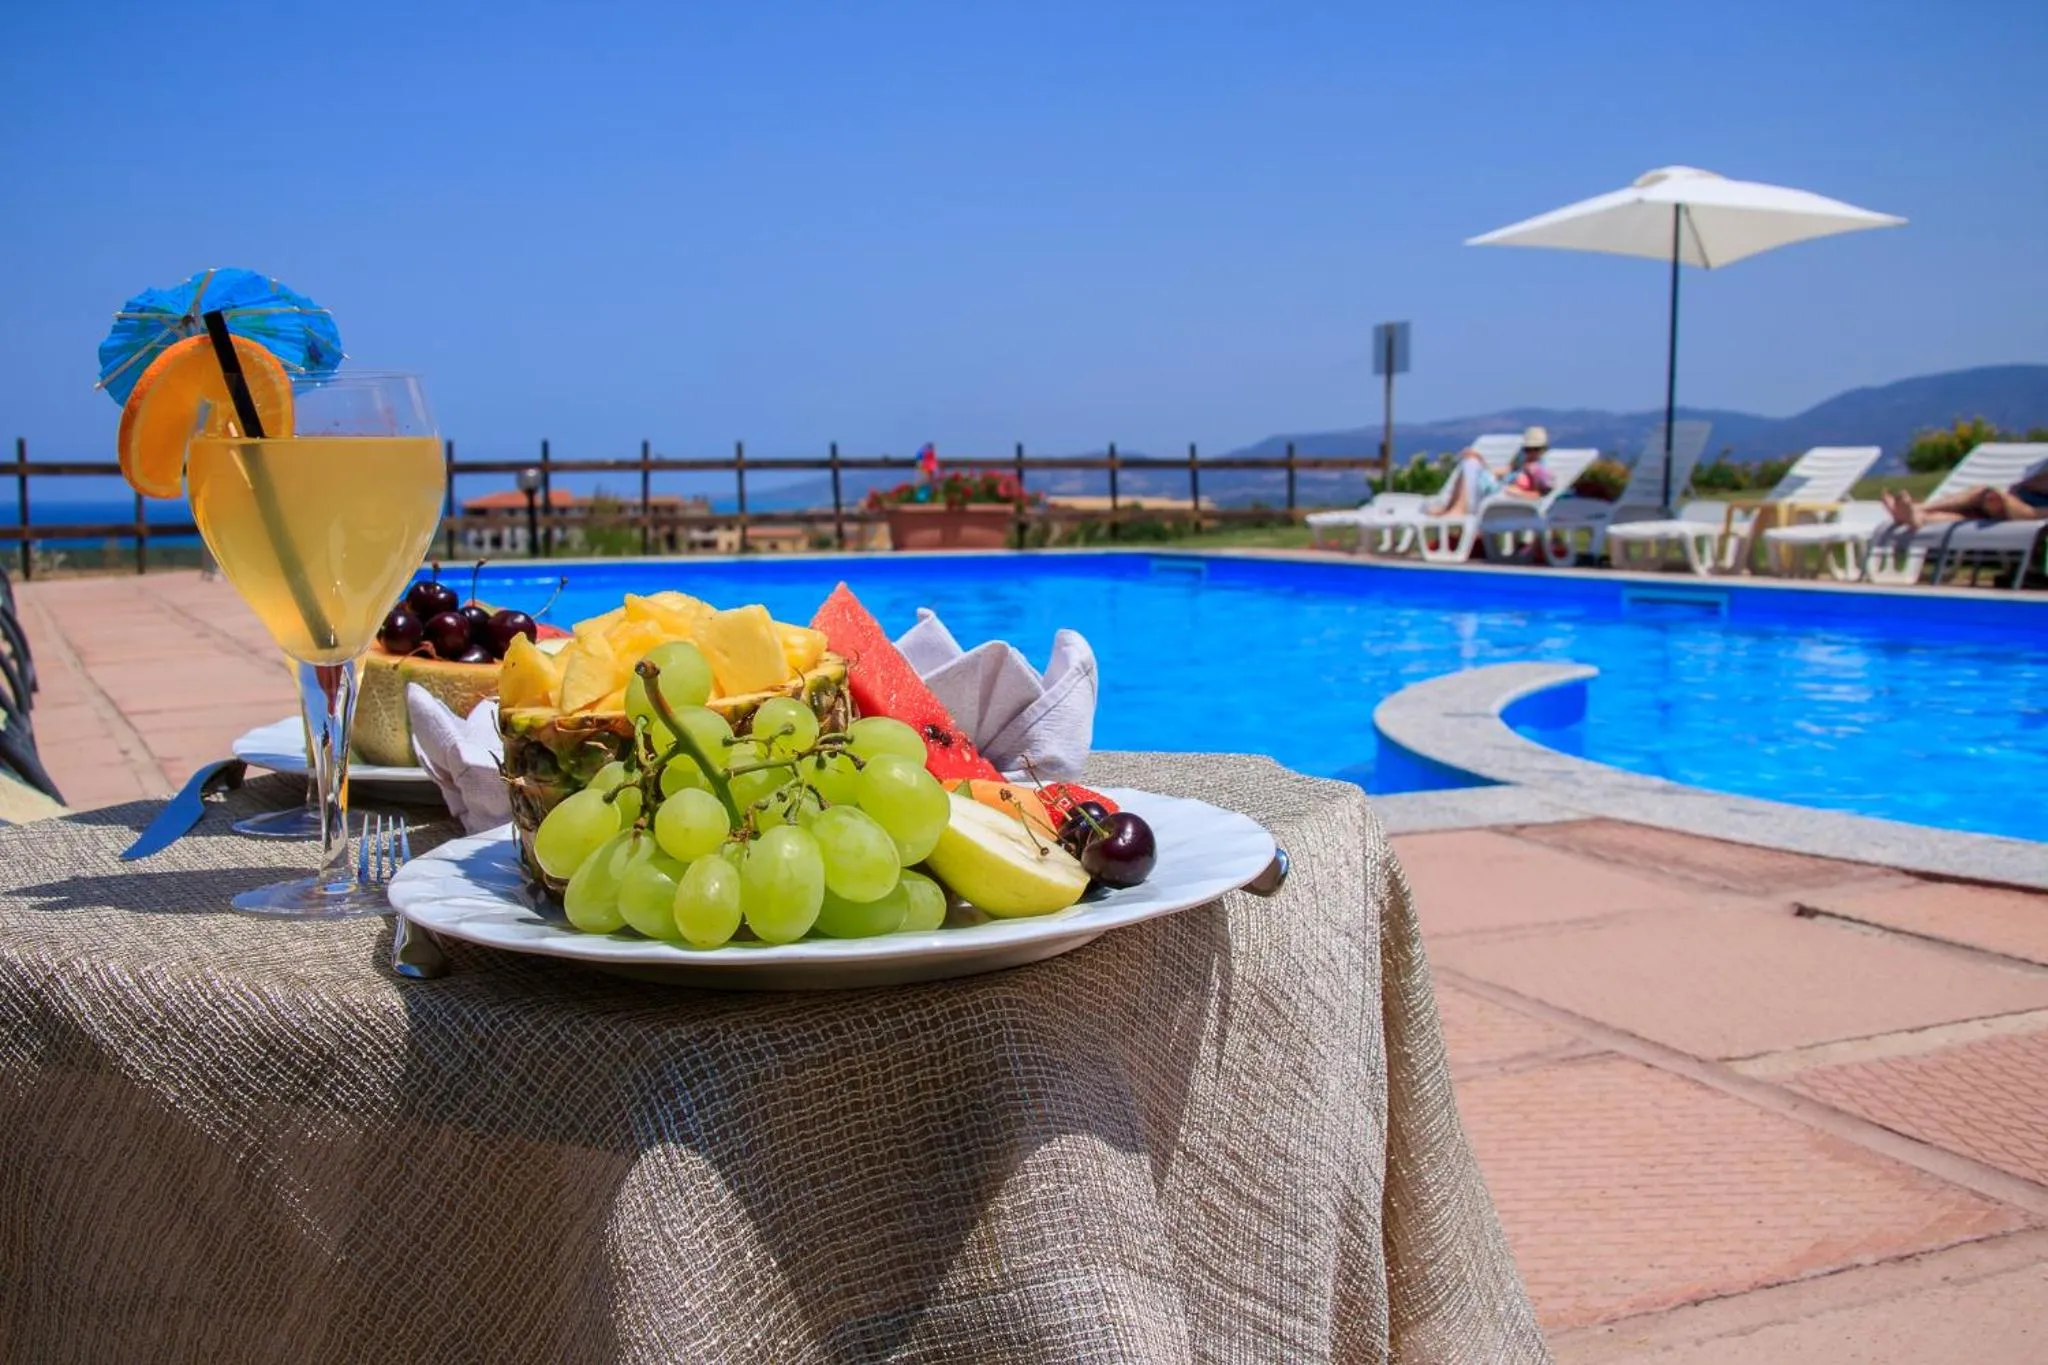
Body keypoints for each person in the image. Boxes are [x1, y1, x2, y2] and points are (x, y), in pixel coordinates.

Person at [1426, 426, 1552, 517]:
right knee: (1470, 461)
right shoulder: (1521, 464)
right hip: (1493, 491)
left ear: (1543, 449)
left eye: (1535, 449)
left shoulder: (1539, 469)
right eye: (1527, 449)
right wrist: (1479, 458)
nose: (1531, 453)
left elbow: (1540, 495)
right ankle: (1451, 508)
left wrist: (1519, 493)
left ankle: (1456, 510)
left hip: (1499, 499)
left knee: (1471, 464)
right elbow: (1497, 472)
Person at [1882, 468, 2048, 529]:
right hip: (2011, 504)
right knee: (1964, 518)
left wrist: (2007, 496)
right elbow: (2027, 484)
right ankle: (1918, 517)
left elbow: (2030, 513)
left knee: (1983, 491)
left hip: (2028, 512)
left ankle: (1920, 508)